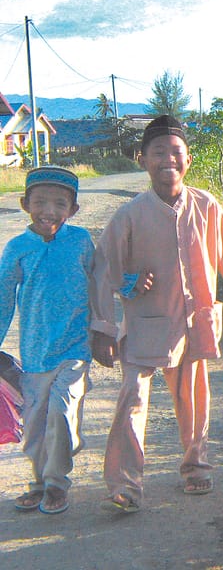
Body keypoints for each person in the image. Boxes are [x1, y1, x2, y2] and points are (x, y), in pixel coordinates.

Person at [91, 115, 223, 513]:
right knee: (132, 400)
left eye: (176, 152)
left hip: (193, 323)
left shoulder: (207, 206)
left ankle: (195, 466)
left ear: (189, 159)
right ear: (142, 159)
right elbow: (104, 269)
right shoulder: (130, 215)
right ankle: (125, 485)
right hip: (146, 326)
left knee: (195, 397)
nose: (168, 160)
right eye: (158, 153)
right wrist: (104, 326)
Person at [0, 166, 94, 515]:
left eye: (59, 203)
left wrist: (130, 284)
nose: (49, 211)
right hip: (35, 353)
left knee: (61, 412)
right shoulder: (18, 248)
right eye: (40, 202)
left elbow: (101, 274)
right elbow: (4, 295)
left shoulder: (81, 241)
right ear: (25, 204)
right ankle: (39, 480)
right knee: (36, 423)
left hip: (74, 349)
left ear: (73, 210)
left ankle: (56, 484)